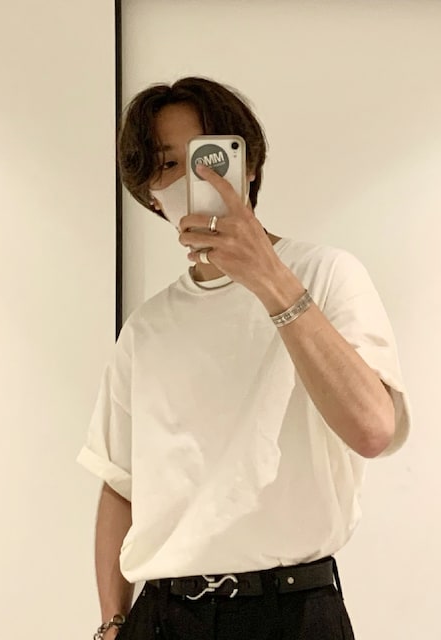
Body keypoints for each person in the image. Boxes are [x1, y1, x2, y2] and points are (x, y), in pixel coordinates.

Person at [77, 77, 410, 640]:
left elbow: (374, 430)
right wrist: (112, 623)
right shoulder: (147, 328)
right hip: (163, 616)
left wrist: (270, 279)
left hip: (291, 612)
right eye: (168, 165)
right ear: (151, 195)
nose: (193, 180)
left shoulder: (328, 275)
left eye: (208, 157)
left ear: (247, 165)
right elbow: (119, 484)